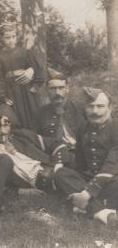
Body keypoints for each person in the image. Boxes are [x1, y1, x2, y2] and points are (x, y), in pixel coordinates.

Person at [0, 113, 70, 214]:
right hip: (38, 182)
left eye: (6, 125)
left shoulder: (22, 136)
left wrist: (58, 164)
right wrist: (21, 191)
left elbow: (55, 143)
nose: (3, 131)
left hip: (52, 169)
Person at [54, 87, 118, 227]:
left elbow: (112, 165)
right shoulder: (83, 128)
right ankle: (104, 214)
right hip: (94, 180)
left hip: (114, 179)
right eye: (91, 106)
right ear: (85, 109)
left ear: (110, 108)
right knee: (61, 173)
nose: (95, 111)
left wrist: (86, 192)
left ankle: (84, 206)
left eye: (100, 106)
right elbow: (81, 165)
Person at [0, 22, 46, 131]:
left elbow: (37, 67)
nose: (11, 40)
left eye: (13, 37)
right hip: (12, 91)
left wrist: (36, 85)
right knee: (17, 116)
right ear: (2, 39)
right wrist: (3, 96)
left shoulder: (24, 52)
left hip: (27, 89)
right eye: (7, 37)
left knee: (33, 115)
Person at [36, 73, 85, 167]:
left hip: (80, 155)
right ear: (47, 91)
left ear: (67, 89)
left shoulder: (80, 108)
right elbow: (37, 140)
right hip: (55, 157)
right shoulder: (40, 113)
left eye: (61, 88)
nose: (57, 92)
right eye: (53, 89)